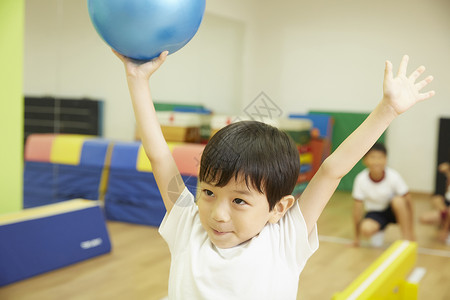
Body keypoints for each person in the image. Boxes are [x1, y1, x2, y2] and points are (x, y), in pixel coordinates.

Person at [114, 50, 434, 299]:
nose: (218, 214)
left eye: (239, 200)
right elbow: (159, 157)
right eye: (208, 192)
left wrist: (387, 110)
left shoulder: (284, 238)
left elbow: (331, 171)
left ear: (278, 209)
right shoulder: (188, 224)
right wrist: (137, 79)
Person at [352, 143, 415, 247]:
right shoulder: (360, 179)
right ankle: (380, 229)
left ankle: (406, 237)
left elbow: (409, 201)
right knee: (366, 229)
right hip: (376, 213)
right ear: (365, 160)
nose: (376, 162)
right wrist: (356, 238)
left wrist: (411, 231)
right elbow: (357, 210)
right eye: (372, 157)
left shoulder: (394, 176)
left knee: (398, 201)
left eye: (380, 158)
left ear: (386, 160)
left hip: (393, 211)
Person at [419, 161, 450, 243]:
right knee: (424, 218)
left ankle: (446, 229)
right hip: (447, 209)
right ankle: (445, 223)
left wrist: (444, 231)